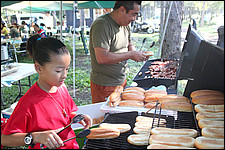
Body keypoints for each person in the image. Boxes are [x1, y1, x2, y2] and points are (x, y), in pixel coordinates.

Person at [1, 34, 92, 149]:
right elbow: (5, 138)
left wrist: (76, 117)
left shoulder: (61, 88)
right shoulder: (29, 102)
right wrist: (36, 137)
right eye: (58, 70)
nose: (64, 75)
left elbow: (65, 114)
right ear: (38, 68)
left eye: (67, 69)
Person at [89, 1, 148, 103]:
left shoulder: (125, 25)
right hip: (105, 84)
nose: (134, 19)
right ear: (122, 10)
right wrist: (131, 55)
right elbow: (102, 57)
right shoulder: (102, 25)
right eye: (133, 14)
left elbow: (129, 44)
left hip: (121, 80)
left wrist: (135, 53)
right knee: (105, 117)